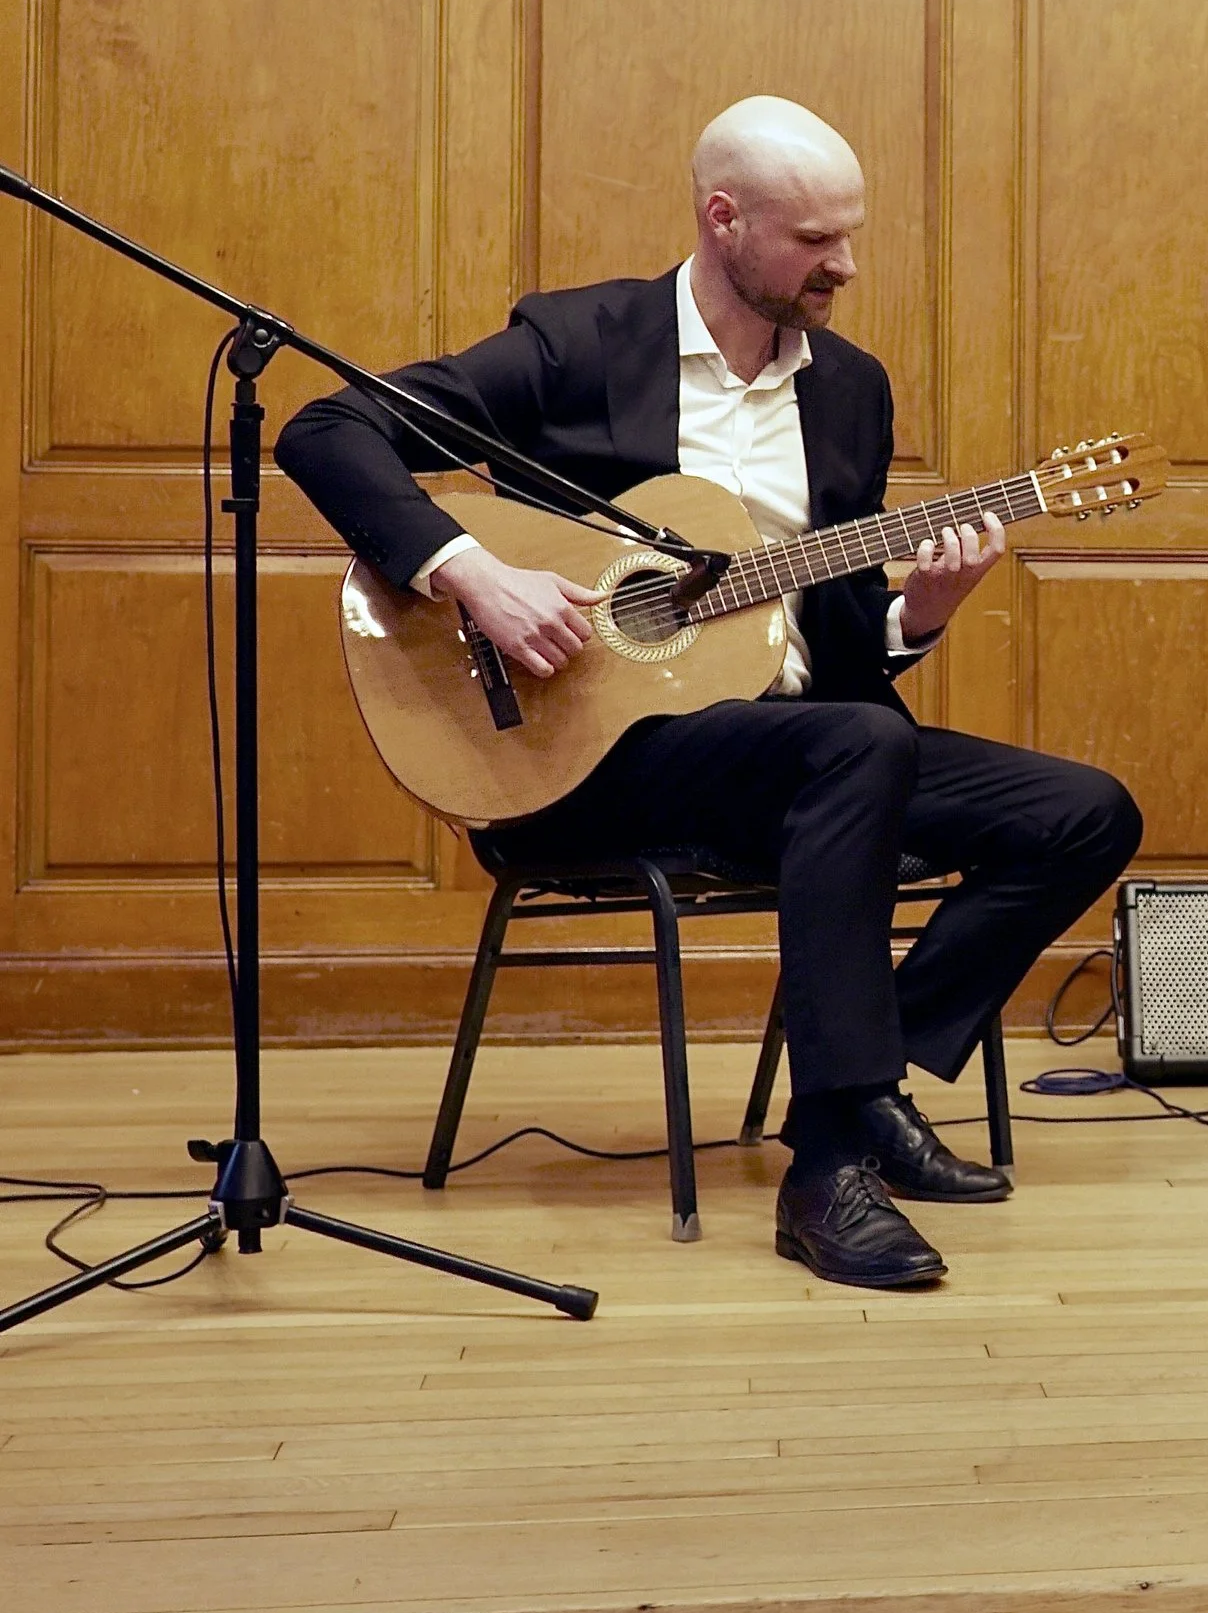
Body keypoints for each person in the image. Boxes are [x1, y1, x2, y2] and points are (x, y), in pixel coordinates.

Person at [279, 96, 1141, 1294]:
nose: (843, 265)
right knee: (851, 752)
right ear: (722, 218)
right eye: (812, 241)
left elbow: (832, 627)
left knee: (1083, 811)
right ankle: (830, 1159)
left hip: (802, 748)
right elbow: (328, 428)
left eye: (850, 236)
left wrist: (918, 616)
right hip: (586, 757)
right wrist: (470, 572)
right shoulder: (578, 345)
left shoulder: (849, 388)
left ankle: (874, 1073)